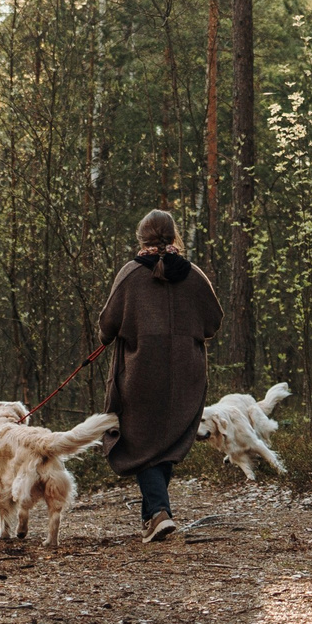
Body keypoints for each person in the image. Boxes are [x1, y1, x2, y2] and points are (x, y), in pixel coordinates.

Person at [99, 208, 223, 543]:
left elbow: (106, 327)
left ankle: (158, 513)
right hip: (187, 373)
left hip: (140, 372)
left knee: (142, 442)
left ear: (142, 238)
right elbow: (213, 322)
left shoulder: (129, 274)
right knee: (165, 440)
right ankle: (155, 516)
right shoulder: (194, 275)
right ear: (173, 236)